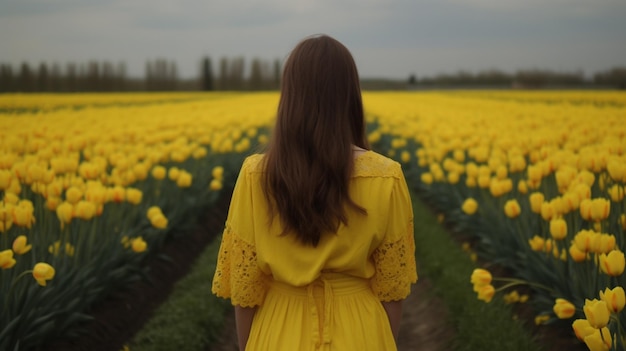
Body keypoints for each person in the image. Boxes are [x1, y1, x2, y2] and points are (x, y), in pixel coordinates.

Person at [211, 34, 417, 351]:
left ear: (290, 95)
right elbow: (392, 292)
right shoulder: (386, 177)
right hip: (360, 333)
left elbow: (246, 291)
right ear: (350, 95)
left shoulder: (256, 175)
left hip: (278, 332)